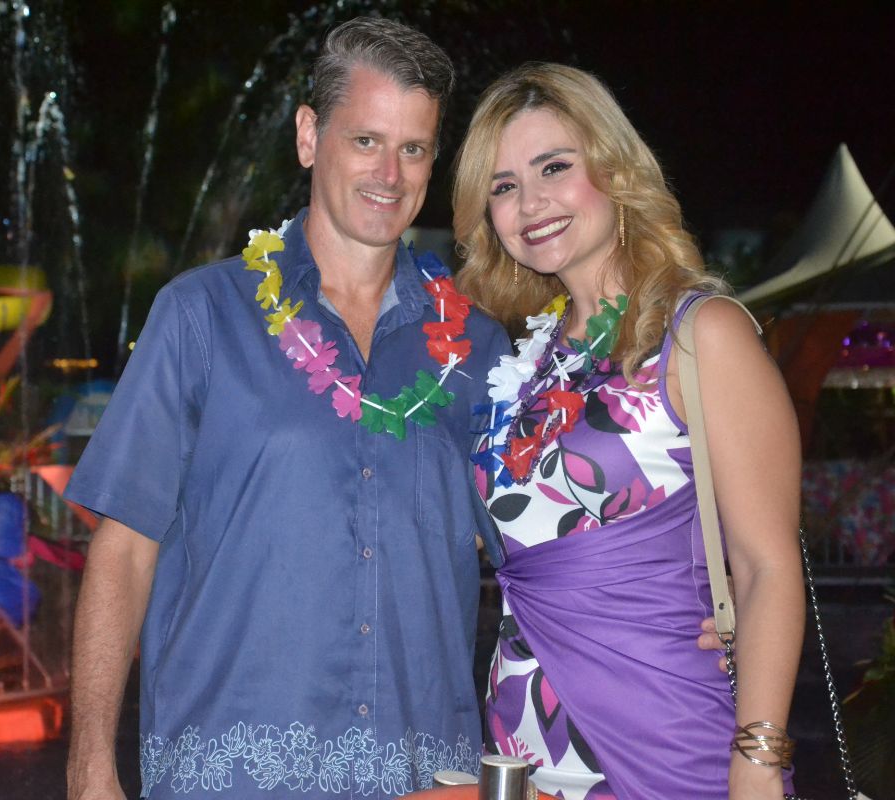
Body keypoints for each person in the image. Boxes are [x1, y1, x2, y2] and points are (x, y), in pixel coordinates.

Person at [63, 17, 513, 799]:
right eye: (366, 140)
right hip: (228, 778)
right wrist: (89, 764)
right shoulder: (201, 316)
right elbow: (123, 549)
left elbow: (546, 555)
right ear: (309, 136)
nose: (390, 173)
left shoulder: (478, 349)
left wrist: (688, 609)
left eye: (414, 149)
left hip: (420, 780)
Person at [453, 63, 804, 800]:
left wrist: (759, 757)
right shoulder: (529, 362)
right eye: (504, 185)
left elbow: (766, 566)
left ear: (613, 171)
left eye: (554, 167)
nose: (531, 202)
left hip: (666, 737)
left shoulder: (701, 333)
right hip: (525, 744)